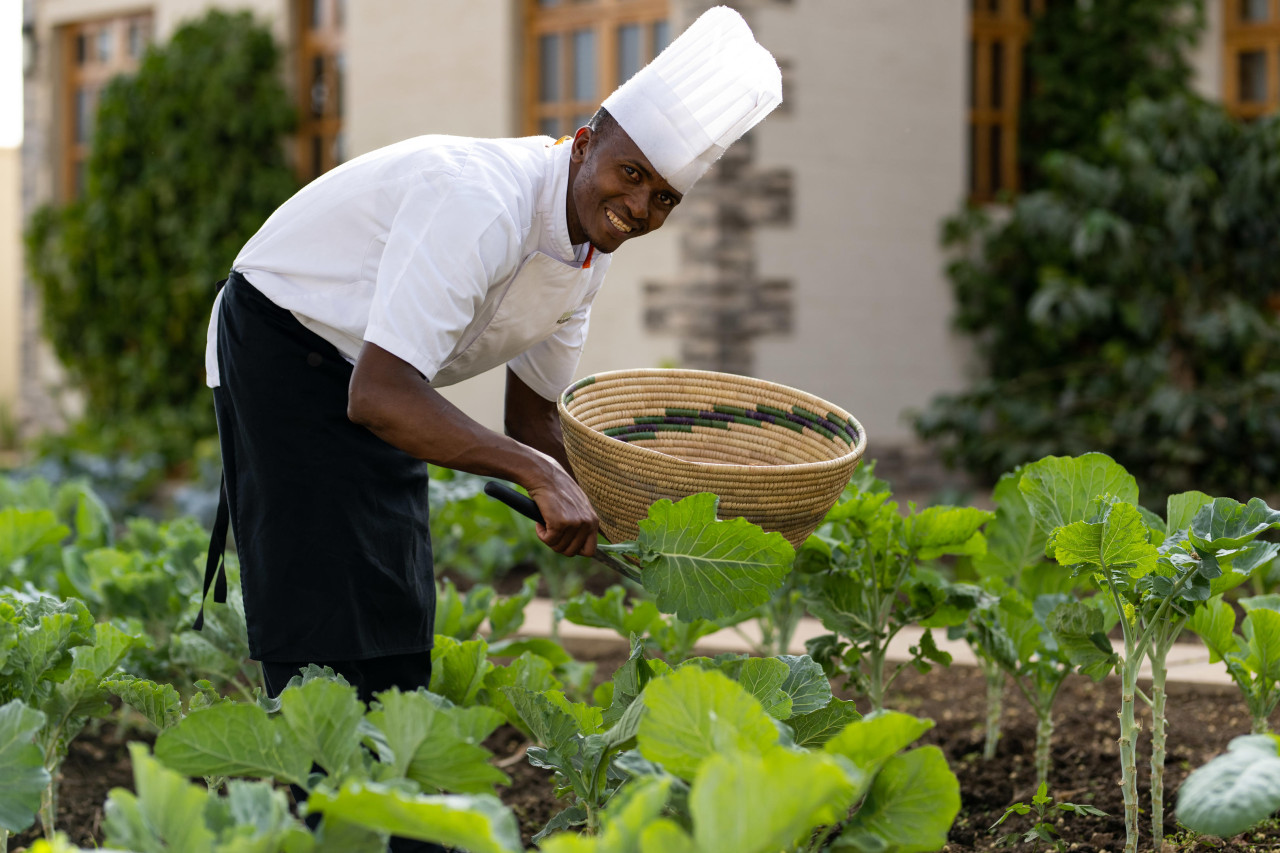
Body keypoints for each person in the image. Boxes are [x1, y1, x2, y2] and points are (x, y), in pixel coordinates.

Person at [197, 2, 780, 812]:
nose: (641, 207)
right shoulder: (480, 199)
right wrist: (539, 474)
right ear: (584, 144)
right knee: (319, 603)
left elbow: (535, 422)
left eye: (664, 199)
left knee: (397, 597)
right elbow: (384, 395)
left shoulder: (586, 256)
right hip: (282, 342)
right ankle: (318, 812)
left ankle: (392, 810)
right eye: (632, 174)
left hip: (384, 376)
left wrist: (644, 521)